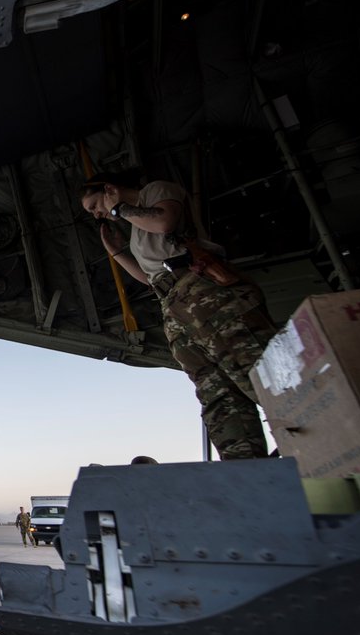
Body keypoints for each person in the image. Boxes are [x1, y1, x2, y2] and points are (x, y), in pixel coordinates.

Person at [81, 173, 279, 460]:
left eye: (95, 206)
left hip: (202, 291)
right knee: (217, 393)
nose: (97, 214)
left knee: (257, 370)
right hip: (173, 303)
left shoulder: (155, 191)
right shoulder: (136, 228)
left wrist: (118, 209)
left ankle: (317, 429)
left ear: (109, 189)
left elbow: (164, 221)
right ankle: (246, 466)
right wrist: (117, 252)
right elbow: (149, 278)